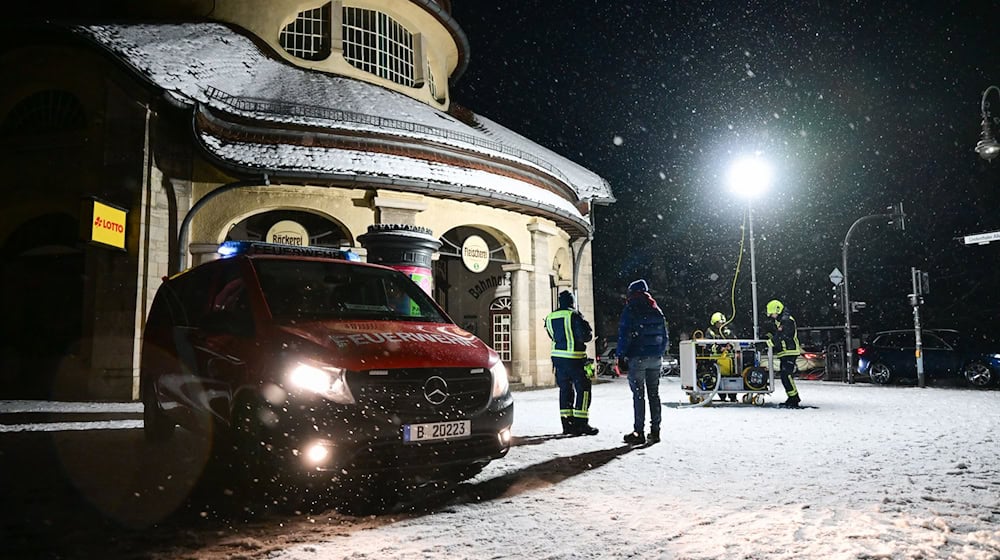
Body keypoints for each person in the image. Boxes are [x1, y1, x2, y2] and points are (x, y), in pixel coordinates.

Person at [616, 279, 669, 445]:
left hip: (637, 358)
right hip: (655, 358)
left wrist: (621, 355)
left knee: (639, 395)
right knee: (654, 394)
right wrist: (658, 351)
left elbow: (624, 334)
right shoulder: (656, 309)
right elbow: (665, 335)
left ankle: (639, 431)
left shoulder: (631, 309)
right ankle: (655, 431)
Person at [544, 290, 599, 436]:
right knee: (584, 389)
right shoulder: (573, 315)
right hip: (575, 358)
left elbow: (552, 335)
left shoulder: (550, 317)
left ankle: (567, 424)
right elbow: (585, 336)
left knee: (565, 390)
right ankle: (581, 423)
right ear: (572, 302)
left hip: (558, 359)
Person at [763, 299, 802, 407]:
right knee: (785, 376)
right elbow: (778, 335)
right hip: (785, 352)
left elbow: (782, 335)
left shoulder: (787, 320)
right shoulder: (781, 321)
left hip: (790, 351)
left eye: (772, 314)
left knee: (786, 375)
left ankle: (794, 399)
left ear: (778, 310)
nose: (771, 316)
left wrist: (770, 342)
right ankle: (792, 398)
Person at [706, 312, 738, 402]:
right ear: (714, 323)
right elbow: (708, 345)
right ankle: (722, 396)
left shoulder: (727, 331)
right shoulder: (710, 332)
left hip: (729, 360)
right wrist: (719, 348)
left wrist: (730, 346)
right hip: (716, 360)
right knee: (718, 378)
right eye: (719, 323)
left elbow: (734, 340)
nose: (721, 324)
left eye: (722, 323)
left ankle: (733, 396)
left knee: (731, 377)